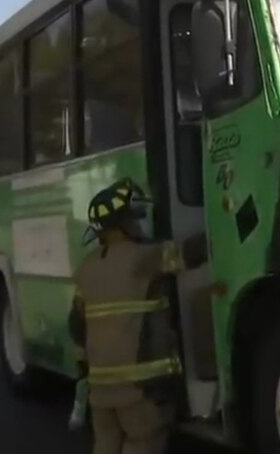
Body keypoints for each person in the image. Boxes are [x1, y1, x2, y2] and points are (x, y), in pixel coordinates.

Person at [68, 178, 184, 454]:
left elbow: (76, 326)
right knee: (143, 442)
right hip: (141, 390)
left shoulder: (87, 268)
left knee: (106, 445)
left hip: (100, 393)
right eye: (135, 218)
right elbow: (192, 253)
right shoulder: (144, 258)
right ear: (122, 223)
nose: (140, 224)